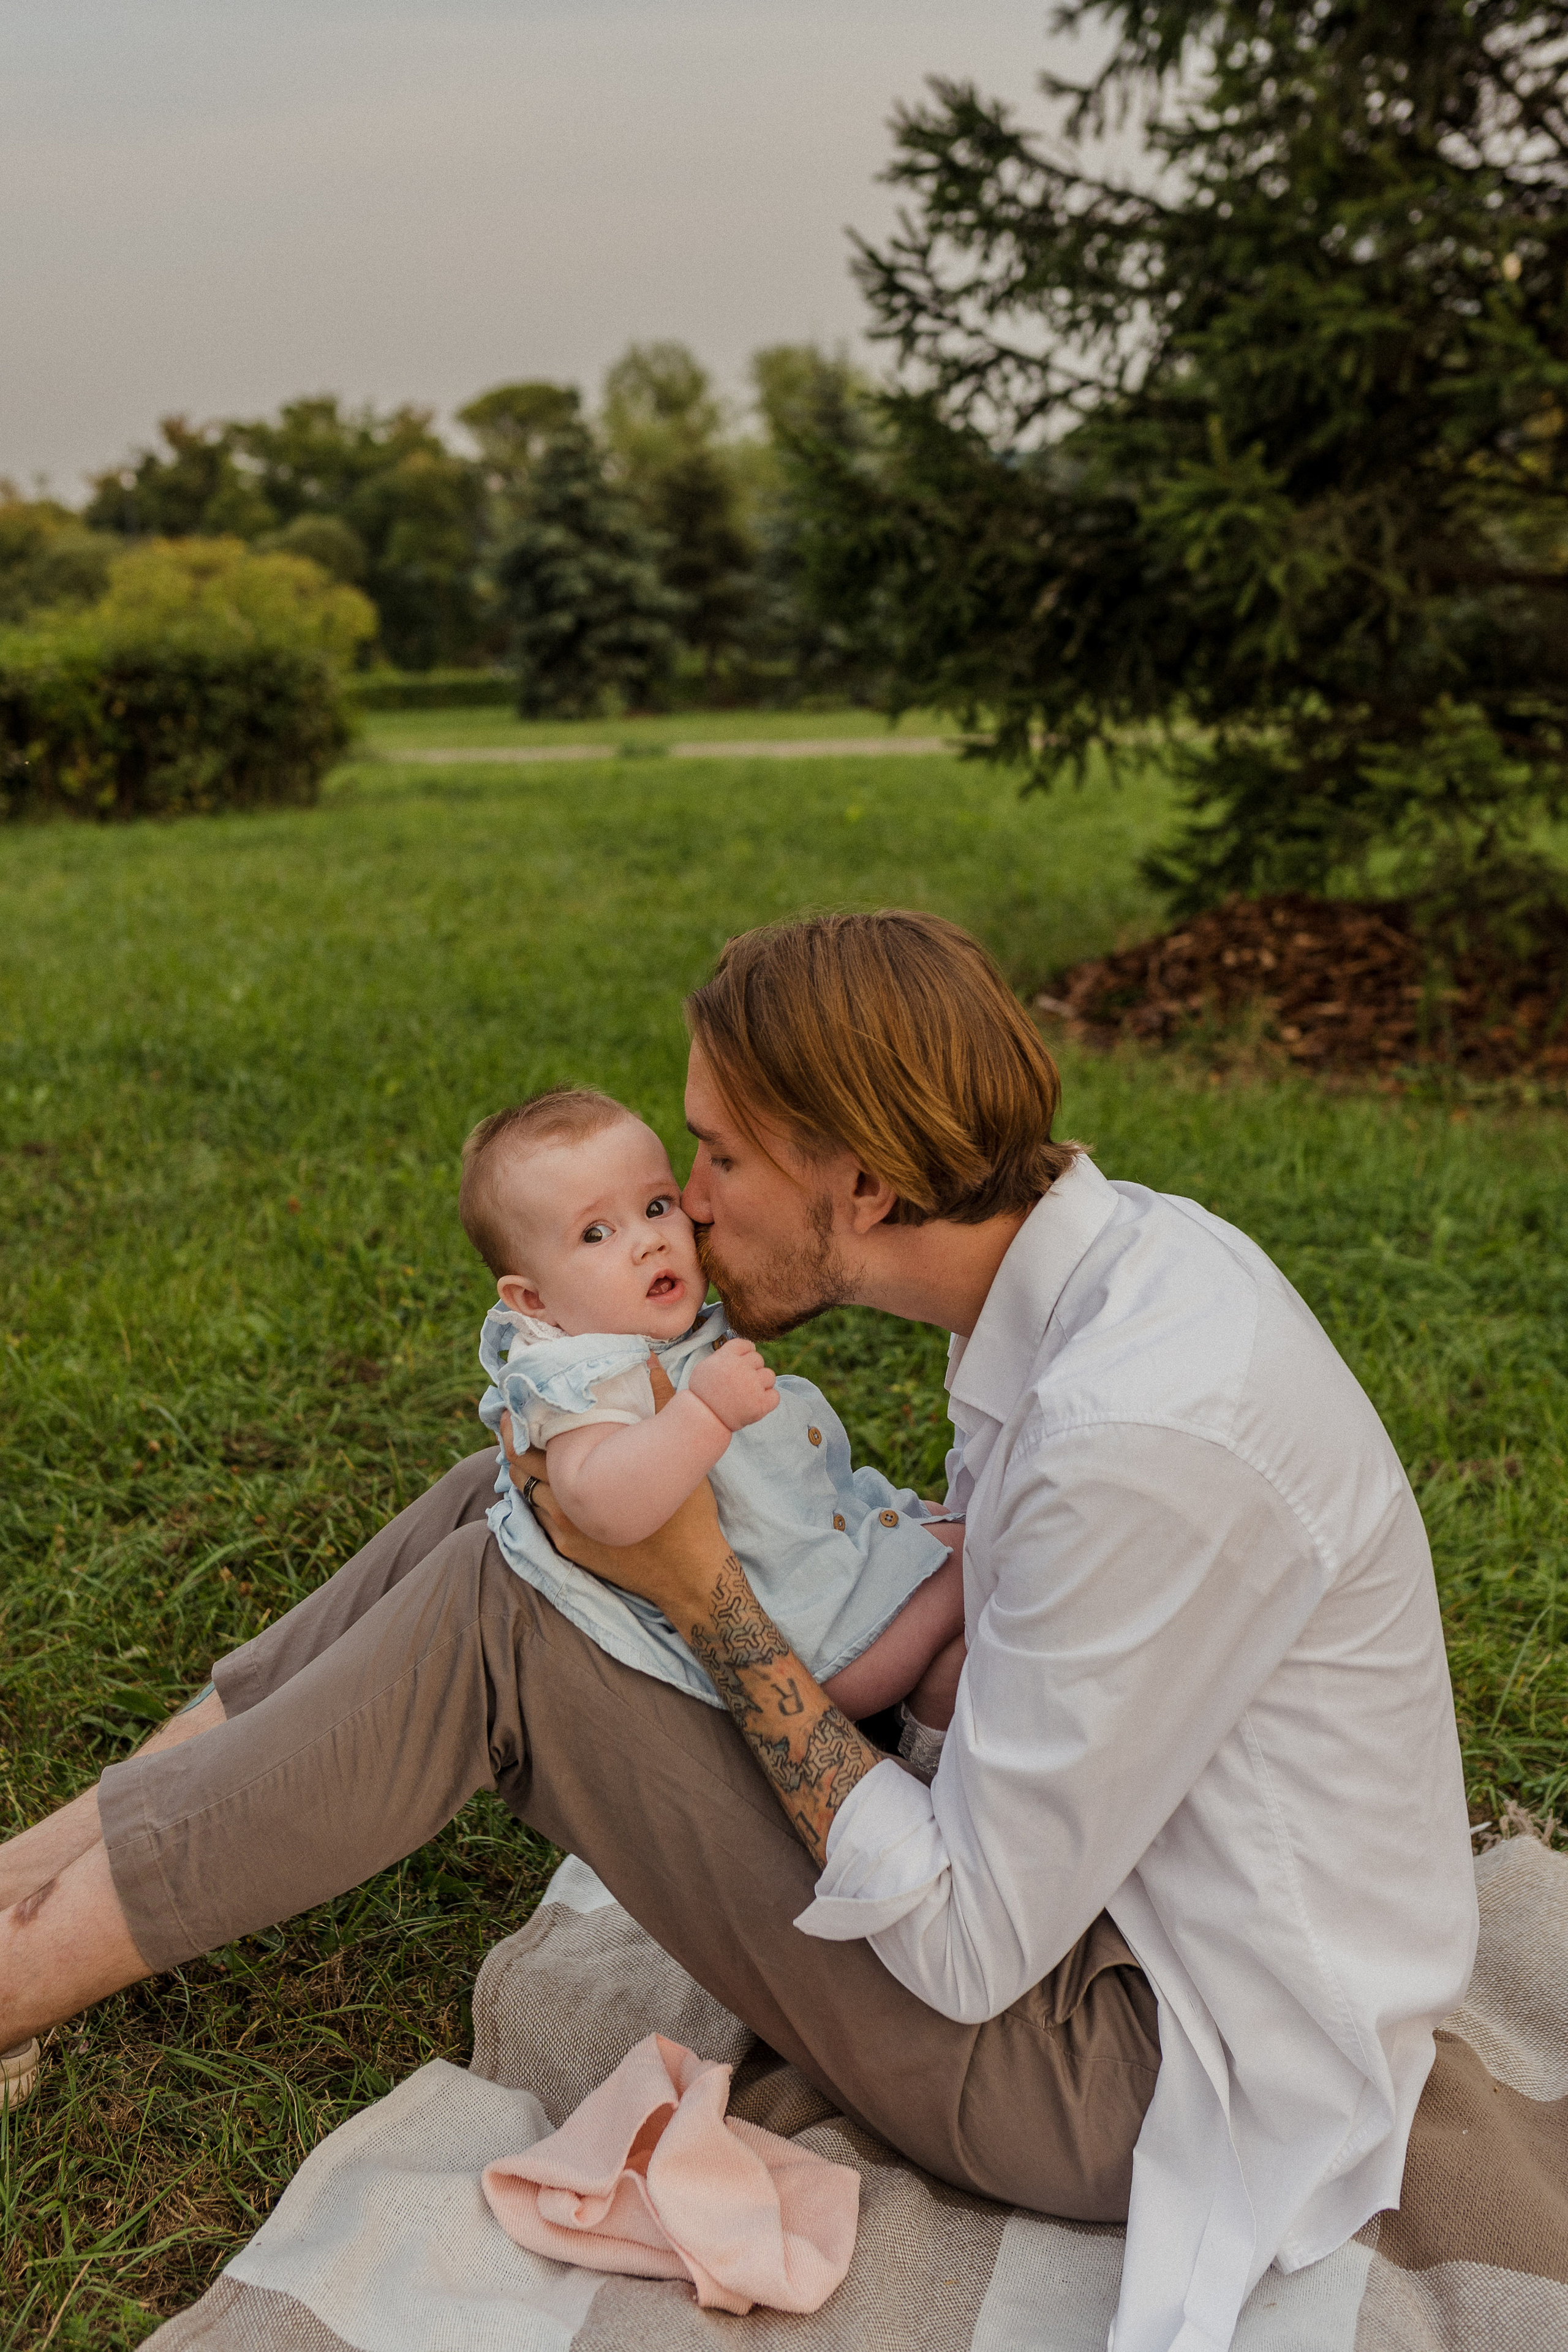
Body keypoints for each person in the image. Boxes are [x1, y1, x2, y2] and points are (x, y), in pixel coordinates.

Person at [0, 910, 1476, 2352]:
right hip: (1091, 1907)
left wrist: (702, 1591)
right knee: (506, 1501)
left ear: (865, 1183)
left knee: (516, 1609)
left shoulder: (1137, 1441)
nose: (687, 1206)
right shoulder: (1084, 1275)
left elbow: (965, 1948)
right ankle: (30, 1875)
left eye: (716, 1159)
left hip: (1129, 2066)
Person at [462, 1085, 966, 1730]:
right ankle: (928, 1752)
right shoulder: (581, 1375)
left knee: (961, 1612)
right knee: (985, 1559)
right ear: (533, 1301)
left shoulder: (660, 1336)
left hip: (826, 1577)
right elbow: (594, 1499)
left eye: (656, 1205)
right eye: (596, 1233)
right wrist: (703, 1414)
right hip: (805, 1644)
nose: (649, 1241)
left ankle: (923, 1738)